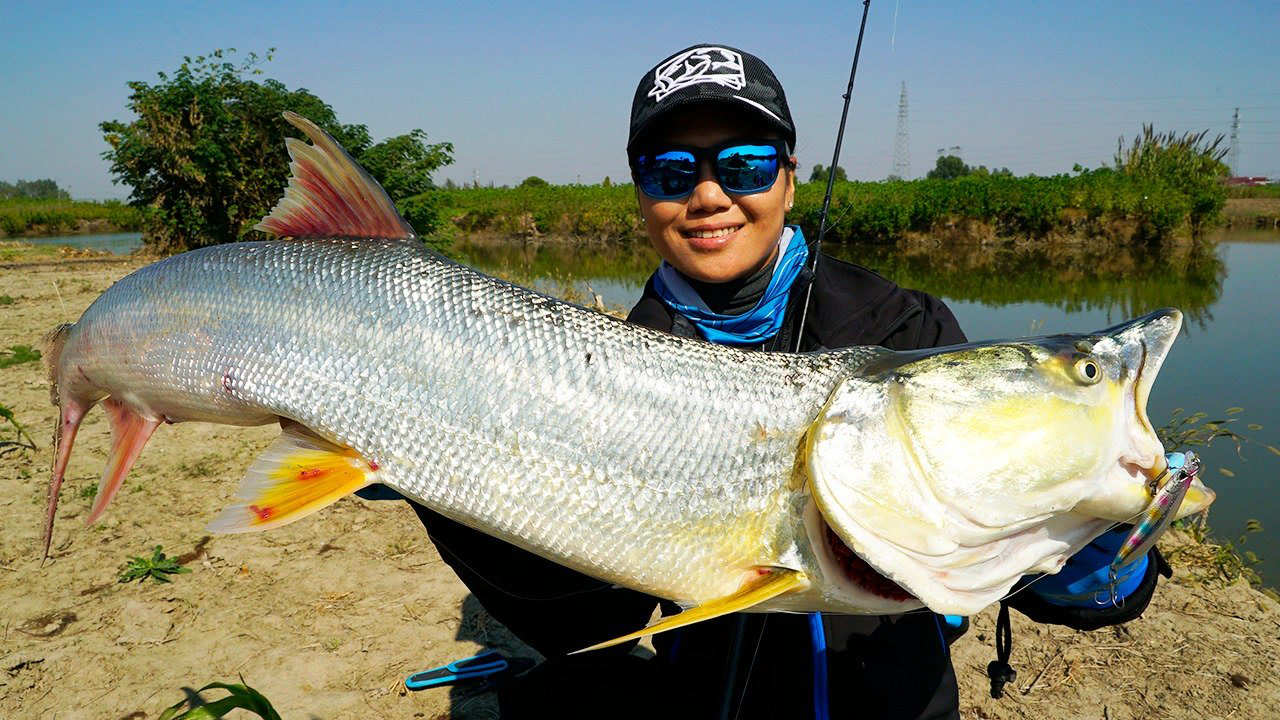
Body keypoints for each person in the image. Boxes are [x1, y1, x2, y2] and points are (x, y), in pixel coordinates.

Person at [407, 44, 1171, 719]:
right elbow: (579, 621)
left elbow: (1027, 571)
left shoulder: (906, 331)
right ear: (641, 194)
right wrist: (435, 478)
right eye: (672, 171)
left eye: (743, 164)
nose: (707, 196)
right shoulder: (601, 368)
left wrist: (1099, 554)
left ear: (790, 180)